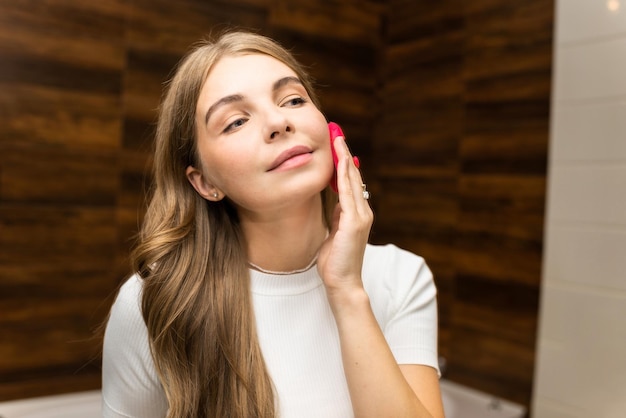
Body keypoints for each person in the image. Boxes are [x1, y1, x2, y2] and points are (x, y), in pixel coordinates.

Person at [102, 30, 444, 418]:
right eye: (235, 122)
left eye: (294, 99)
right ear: (205, 182)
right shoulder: (156, 301)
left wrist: (347, 291)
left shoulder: (400, 277)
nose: (278, 121)